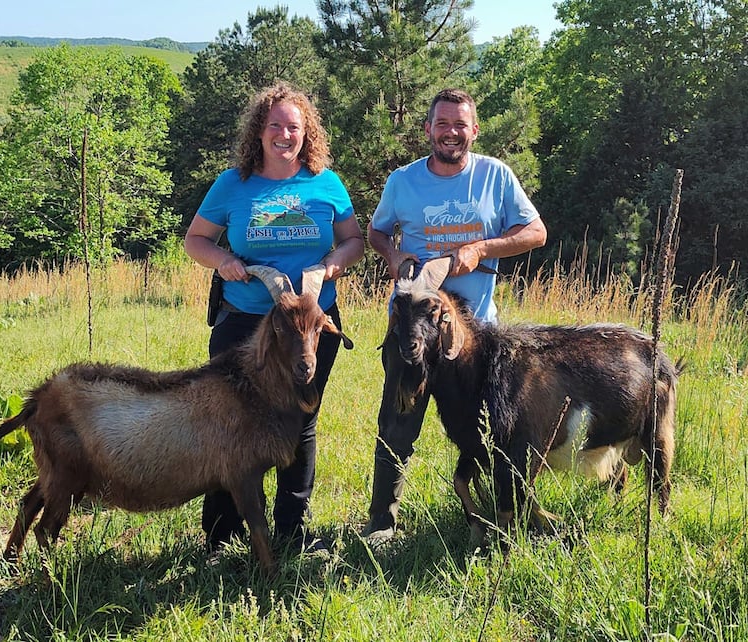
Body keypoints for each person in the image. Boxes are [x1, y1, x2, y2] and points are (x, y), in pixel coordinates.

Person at [184, 82, 364, 555]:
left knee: (299, 421)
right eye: (276, 126)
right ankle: (222, 535)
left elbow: (354, 241)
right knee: (230, 422)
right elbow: (195, 240)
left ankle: (291, 530)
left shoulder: (326, 181)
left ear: (308, 133)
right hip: (245, 321)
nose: (286, 135)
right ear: (259, 132)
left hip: (309, 326)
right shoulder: (233, 184)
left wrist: (333, 264)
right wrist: (222, 260)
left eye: (295, 127)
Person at [362, 88, 547, 545]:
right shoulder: (402, 181)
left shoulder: (496, 176)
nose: (451, 133)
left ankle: (493, 511)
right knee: (399, 423)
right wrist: (394, 254)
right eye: (442, 124)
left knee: (487, 427)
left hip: (477, 337)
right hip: (412, 330)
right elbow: (376, 232)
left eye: (460, 125)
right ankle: (382, 523)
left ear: (474, 130)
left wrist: (482, 248)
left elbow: (536, 232)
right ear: (428, 129)